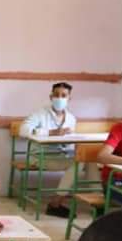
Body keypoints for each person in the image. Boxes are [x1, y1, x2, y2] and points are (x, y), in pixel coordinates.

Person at [19, 82, 78, 217]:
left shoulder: (71, 118)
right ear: (51, 97)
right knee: (78, 164)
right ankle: (55, 203)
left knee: (89, 162)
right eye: (56, 95)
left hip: (61, 156)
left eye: (64, 95)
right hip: (40, 156)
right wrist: (50, 133)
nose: (60, 98)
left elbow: (69, 141)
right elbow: (23, 130)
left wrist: (70, 139)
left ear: (69, 98)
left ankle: (98, 203)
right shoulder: (40, 114)